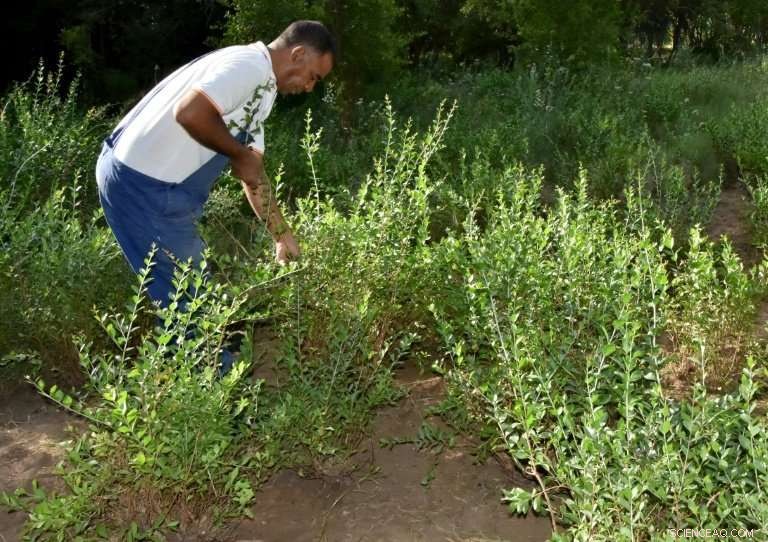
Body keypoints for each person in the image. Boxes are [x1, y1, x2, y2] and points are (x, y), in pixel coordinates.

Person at [95, 20, 336, 310]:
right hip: (143, 186)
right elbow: (190, 112)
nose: (309, 88)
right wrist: (239, 154)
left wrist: (282, 235)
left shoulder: (262, 88)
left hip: (142, 181)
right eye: (313, 77)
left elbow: (253, 172)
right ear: (298, 54)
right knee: (191, 306)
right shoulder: (250, 67)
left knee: (191, 296)